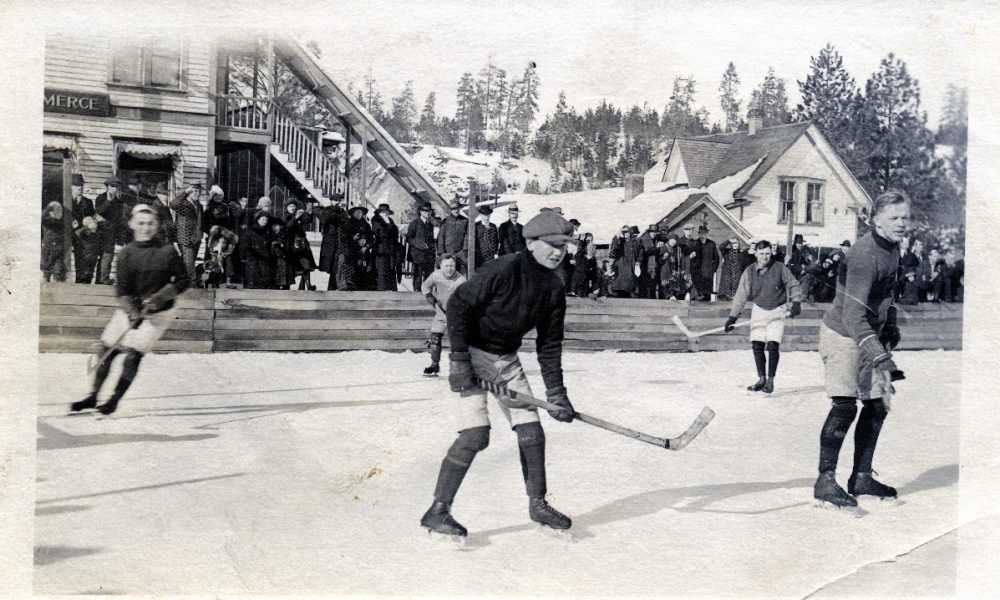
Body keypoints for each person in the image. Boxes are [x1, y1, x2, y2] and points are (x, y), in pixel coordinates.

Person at [420, 210, 577, 540]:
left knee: (532, 431)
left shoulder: (553, 287)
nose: (559, 252)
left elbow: (549, 344)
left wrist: (556, 393)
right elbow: (459, 306)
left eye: (564, 245)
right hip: (472, 352)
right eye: (552, 244)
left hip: (506, 361)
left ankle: (538, 503)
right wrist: (460, 361)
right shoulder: (503, 269)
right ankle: (438, 511)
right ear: (531, 242)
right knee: (476, 436)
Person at [812, 190, 909, 509]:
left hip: (867, 334)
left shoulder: (893, 248)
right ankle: (825, 481)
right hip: (842, 334)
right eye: (894, 218)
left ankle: (862, 477)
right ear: (876, 220)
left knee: (877, 405)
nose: (901, 223)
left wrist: (890, 323)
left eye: (905, 217)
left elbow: (885, 294)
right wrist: (881, 356)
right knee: (844, 406)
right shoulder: (864, 255)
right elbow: (853, 315)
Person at [69, 203, 190, 415]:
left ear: (157, 225)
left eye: (151, 223)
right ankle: (93, 396)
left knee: (133, 355)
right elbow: (122, 292)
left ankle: (114, 399)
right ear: (132, 224)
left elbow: (183, 281)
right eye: (141, 223)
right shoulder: (126, 253)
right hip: (131, 309)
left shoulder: (168, 251)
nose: (146, 228)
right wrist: (133, 312)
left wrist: (159, 298)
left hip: (158, 314)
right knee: (107, 349)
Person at [724, 240, 802, 395]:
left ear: (771, 253)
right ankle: (761, 379)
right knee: (757, 345)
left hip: (777, 310)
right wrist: (733, 317)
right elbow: (741, 295)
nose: (765, 257)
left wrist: (796, 302)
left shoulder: (780, 268)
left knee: (773, 345)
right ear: (756, 254)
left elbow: (793, 284)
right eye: (762, 254)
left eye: (767, 253)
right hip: (759, 310)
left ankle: (770, 381)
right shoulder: (749, 271)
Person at [419, 253, 467, 377]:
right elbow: (425, 286)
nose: (449, 269)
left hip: (456, 316)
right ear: (441, 265)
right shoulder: (436, 275)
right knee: (435, 339)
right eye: (446, 266)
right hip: (441, 314)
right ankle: (434, 365)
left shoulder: (461, 280)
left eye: (451, 265)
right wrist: (429, 296)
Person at [171, 183, 204, 287]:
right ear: (189, 192)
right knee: (189, 265)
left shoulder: (199, 206)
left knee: (189, 264)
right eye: (193, 191)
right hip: (185, 239)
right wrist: (185, 192)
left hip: (196, 239)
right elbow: (173, 204)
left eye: (198, 191)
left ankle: (183, 285)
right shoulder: (183, 204)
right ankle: (191, 288)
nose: (196, 193)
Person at [284, 200, 318, 290]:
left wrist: (309, 212)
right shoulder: (285, 216)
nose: (293, 208)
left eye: (294, 206)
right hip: (291, 245)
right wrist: (296, 217)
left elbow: (306, 220)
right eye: (290, 206)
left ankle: (308, 284)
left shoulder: (298, 215)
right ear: (287, 208)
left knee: (306, 264)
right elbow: (288, 226)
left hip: (302, 243)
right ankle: (289, 286)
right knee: (294, 267)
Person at [315, 194, 346, 290]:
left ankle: (334, 286)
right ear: (331, 201)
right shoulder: (327, 210)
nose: (338, 203)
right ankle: (332, 287)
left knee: (337, 265)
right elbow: (325, 219)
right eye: (336, 201)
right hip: (330, 243)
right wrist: (335, 210)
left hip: (339, 242)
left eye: (339, 201)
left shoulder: (342, 212)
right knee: (332, 266)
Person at [406, 202, 437, 291]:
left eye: (429, 211)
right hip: (418, 256)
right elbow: (409, 238)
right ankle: (417, 295)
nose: (427, 213)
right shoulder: (414, 223)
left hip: (429, 256)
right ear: (420, 212)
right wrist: (419, 244)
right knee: (418, 278)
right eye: (425, 211)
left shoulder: (430, 225)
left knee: (428, 279)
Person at [371, 203, 401, 291]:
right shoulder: (376, 220)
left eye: (386, 212)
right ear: (380, 212)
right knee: (381, 271)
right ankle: (381, 291)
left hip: (391, 250)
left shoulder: (390, 220)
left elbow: (395, 235)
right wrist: (388, 225)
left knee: (391, 271)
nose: (385, 213)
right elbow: (381, 233)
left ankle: (391, 291)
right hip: (381, 250)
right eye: (383, 212)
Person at [436, 199, 468, 274]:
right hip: (448, 253)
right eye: (453, 209)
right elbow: (441, 238)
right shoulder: (445, 221)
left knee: (460, 276)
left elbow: (467, 237)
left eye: (457, 208)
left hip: (461, 254)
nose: (456, 211)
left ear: (459, 208)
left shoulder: (465, 221)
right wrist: (442, 253)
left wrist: (465, 250)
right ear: (450, 210)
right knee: (448, 276)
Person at [690, 224, 720, 301]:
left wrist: (713, 269)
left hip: (708, 273)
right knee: (697, 294)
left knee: (707, 295)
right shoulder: (694, 243)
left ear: (707, 234)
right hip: (697, 273)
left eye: (704, 233)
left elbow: (716, 258)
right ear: (698, 234)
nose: (703, 235)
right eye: (701, 233)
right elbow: (691, 258)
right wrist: (693, 268)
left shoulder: (711, 244)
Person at [609, 225, 640, 297]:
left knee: (631, 279)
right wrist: (620, 231)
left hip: (631, 263)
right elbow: (615, 241)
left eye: (627, 232)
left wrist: (638, 262)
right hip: (622, 263)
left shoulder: (634, 242)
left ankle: (630, 292)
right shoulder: (621, 241)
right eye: (624, 232)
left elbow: (638, 253)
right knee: (622, 281)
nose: (625, 234)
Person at [41, 201, 66, 282]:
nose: (58, 212)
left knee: (58, 272)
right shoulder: (47, 221)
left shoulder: (62, 222)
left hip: (58, 250)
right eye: (56, 210)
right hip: (48, 249)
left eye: (60, 210)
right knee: (46, 272)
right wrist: (49, 207)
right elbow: (41, 216)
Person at [73, 216, 103, 284]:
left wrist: (96, 222)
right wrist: (87, 227)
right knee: (84, 273)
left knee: (90, 273)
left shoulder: (96, 234)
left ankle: (87, 281)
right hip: (85, 256)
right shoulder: (85, 233)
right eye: (93, 225)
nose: (95, 227)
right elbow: (77, 233)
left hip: (93, 256)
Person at [471, 205, 499, 270]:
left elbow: (496, 241)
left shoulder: (493, 226)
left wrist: (496, 253)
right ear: (480, 215)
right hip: (480, 259)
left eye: (488, 215)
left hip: (491, 259)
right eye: (485, 215)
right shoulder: (476, 226)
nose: (487, 217)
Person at [717, 236, 744, 301]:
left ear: (738, 244)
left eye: (736, 243)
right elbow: (721, 247)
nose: (735, 245)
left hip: (736, 281)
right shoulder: (726, 252)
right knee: (724, 303)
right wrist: (728, 241)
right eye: (733, 243)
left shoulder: (741, 254)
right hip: (726, 282)